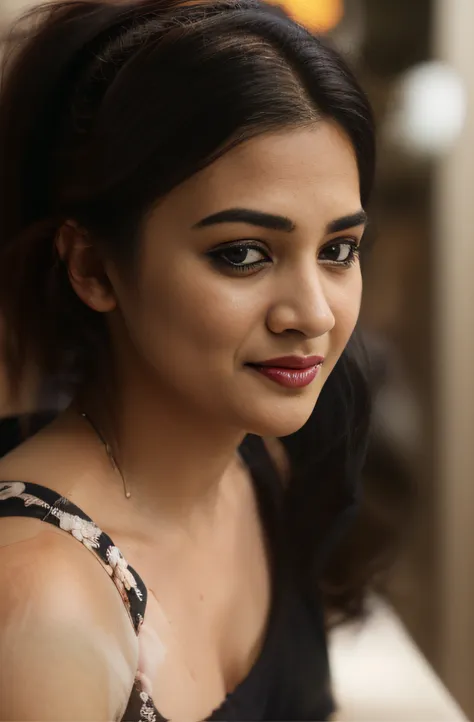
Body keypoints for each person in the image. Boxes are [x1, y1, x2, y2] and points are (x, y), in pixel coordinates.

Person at [0, 1, 377, 720]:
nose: (314, 314)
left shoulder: (266, 464)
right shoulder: (42, 598)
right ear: (94, 268)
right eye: (242, 254)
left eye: (338, 251)